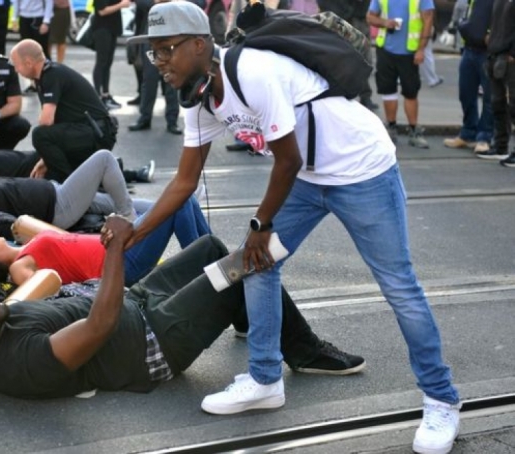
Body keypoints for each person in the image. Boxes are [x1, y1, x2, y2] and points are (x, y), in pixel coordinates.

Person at [121, 3, 460, 453]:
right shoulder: (199, 101)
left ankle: (441, 400)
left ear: (200, 44)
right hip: (307, 178)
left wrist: (261, 224)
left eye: (167, 50)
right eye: (154, 54)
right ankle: (264, 379)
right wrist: (134, 232)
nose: (160, 62)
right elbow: (184, 182)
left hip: (361, 169)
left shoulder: (253, 72)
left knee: (398, 285)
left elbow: (287, 159)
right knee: (254, 264)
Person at [0, 229, 365, 400]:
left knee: (209, 248)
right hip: (156, 341)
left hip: (139, 302)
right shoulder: (20, 363)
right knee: (241, 265)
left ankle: (246, 314)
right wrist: (113, 250)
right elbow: (100, 325)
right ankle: (304, 350)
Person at [0, 195, 209, 287]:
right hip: (123, 262)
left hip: (120, 245)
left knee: (185, 198)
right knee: (179, 200)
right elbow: (49, 294)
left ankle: (211, 260)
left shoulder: (24, 247)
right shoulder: (18, 267)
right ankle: (206, 269)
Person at [0, 150, 146, 237]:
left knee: (132, 201)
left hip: (57, 192)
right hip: (59, 207)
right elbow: (11, 227)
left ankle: (177, 205)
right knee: (104, 159)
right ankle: (129, 219)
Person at [9, 39, 119, 184]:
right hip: (89, 131)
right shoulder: (45, 76)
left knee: (40, 135)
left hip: (97, 134)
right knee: (48, 160)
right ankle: (112, 176)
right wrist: (45, 159)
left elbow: (46, 121)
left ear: (28, 62)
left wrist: (46, 157)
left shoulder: (51, 75)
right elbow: (56, 122)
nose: (16, 70)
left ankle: (70, 184)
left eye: (16, 65)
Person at [128, 0, 204, 135]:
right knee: (149, 80)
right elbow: (140, 3)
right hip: (151, 39)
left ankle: (172, 120)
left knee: (172, 81)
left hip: (174, 40)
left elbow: (200, 3)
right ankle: (144, 118)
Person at [367, 0, 435, 148]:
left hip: (409, 51)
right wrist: (385, 22)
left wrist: (421, 49)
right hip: (386, 49)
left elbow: (428, 19)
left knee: (411, 91)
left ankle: (413, 131)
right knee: (388, 90)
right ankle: (391, 127)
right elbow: (370, 17)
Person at [443, 0, 494, 155]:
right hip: (469, 49)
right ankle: (468, 133)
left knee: (489, 98)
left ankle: (484, 137)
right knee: (466, 93)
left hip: (488, 52)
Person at [316, 0, 379, 111]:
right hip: (341, 19)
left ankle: (363, 96)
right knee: (347, 59)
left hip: (352, 18)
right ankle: (347, 96)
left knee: (362, 60)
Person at [485, 0, 515, 166]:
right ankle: (500, 146)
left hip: (510, 58)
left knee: (514, 106)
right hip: (496, 55)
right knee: (498, 104)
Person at [92, 0, 131, 110]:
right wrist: (121, 5)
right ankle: (98, 96)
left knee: (108, 63)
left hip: (112, 29)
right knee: (101, 62)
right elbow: (102, 11)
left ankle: (106, 94)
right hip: (102, 29)